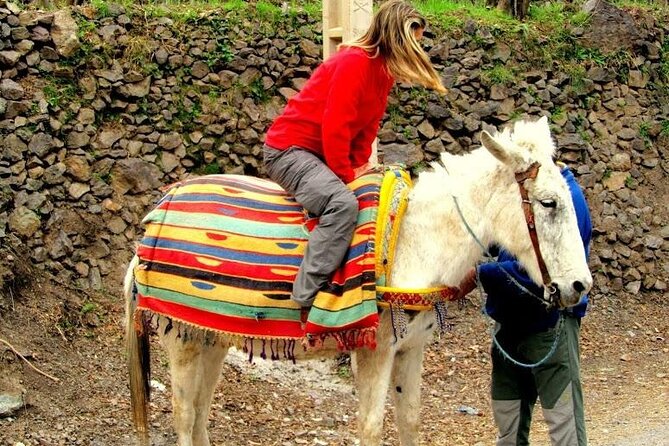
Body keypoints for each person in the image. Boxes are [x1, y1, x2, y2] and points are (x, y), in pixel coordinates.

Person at [263, 0, 446, 308]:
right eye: (414, 42)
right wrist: (345, 175)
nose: (417, 48)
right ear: (397, 37)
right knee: (342, 205)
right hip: (289, 150)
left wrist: (360, 166)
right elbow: (336, 126)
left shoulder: (383, 73)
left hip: (318, 153)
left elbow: (367, 127)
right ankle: (304, 299)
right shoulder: (354, 63)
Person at [459, 164, 592, 446]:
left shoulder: (567, 199)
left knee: (565, 428)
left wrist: (480, 275)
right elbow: (501, 245)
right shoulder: (525, 197)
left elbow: (544, 272)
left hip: (549, 325)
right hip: (509, 326)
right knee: (509, 426)